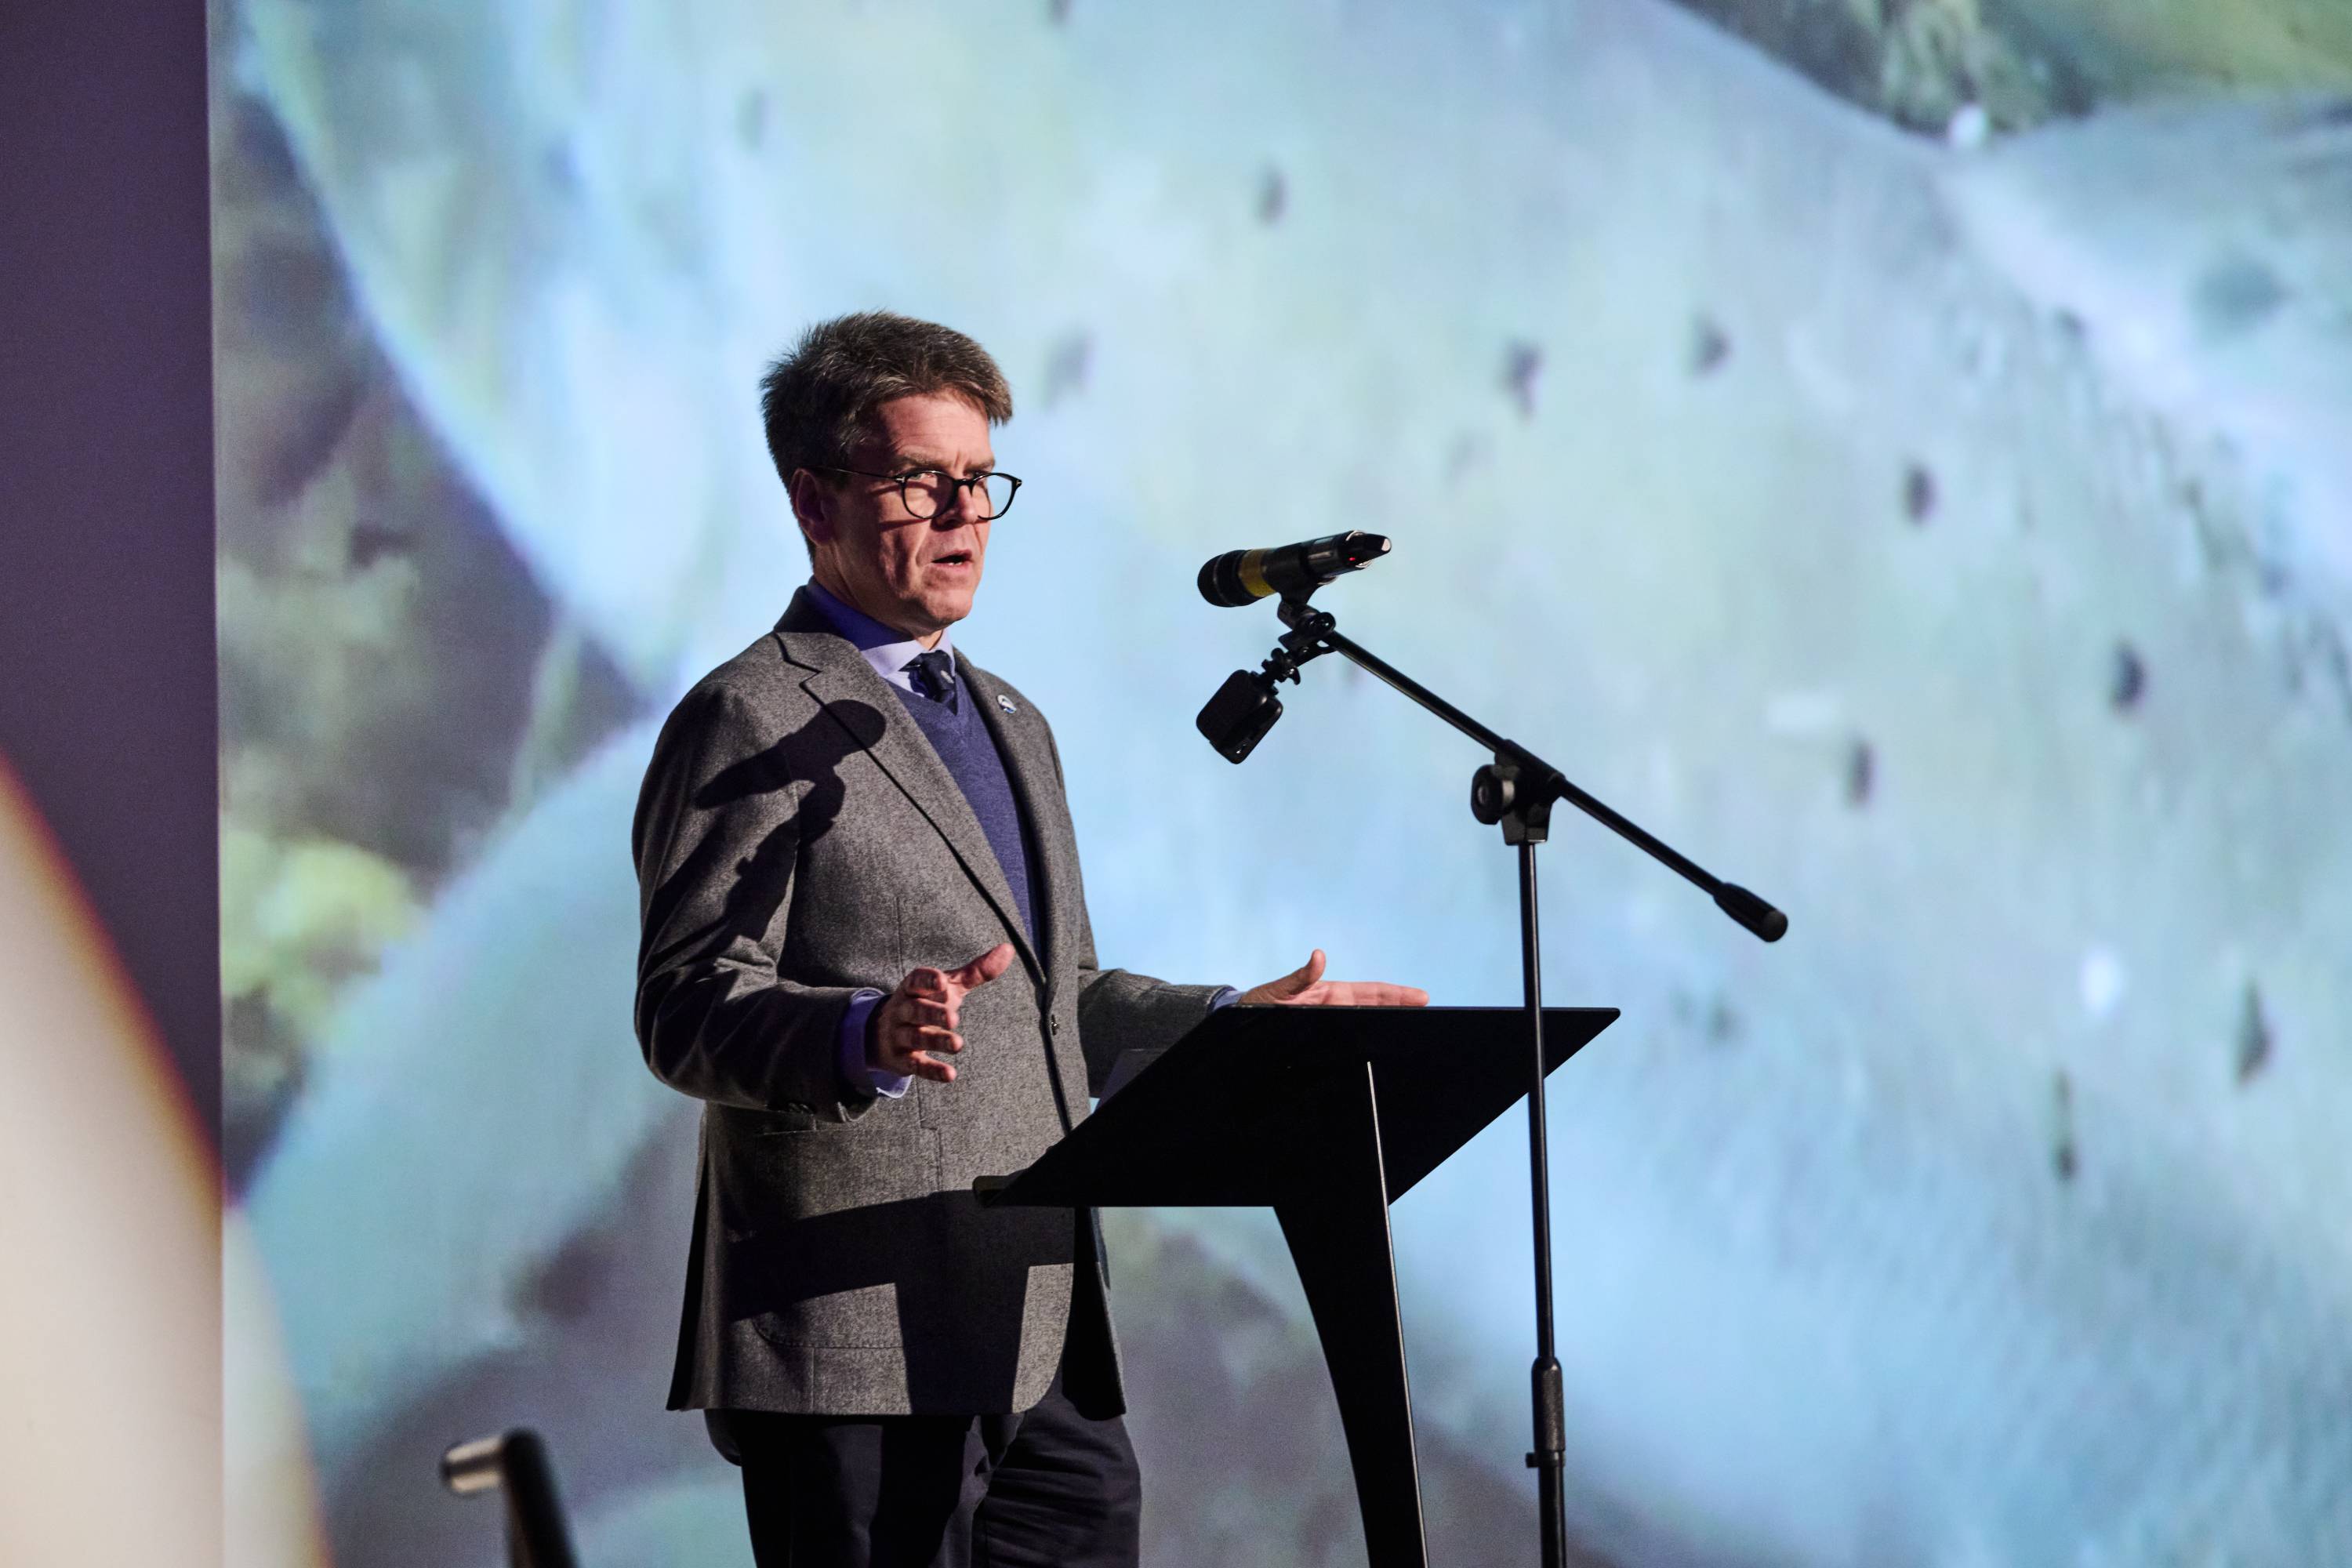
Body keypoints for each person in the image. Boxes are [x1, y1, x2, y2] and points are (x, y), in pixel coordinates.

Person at [631, 310, 1426, 1567]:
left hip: (1040, 1332)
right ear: (814, 500)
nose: (961, 514)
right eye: (919, 481)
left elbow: (1068, 1001)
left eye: (979, 482)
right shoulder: (748, 714)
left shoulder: (1011, 719)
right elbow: (685, 1004)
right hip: (856, 1337)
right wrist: (862, 1033)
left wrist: (1233, 1030)